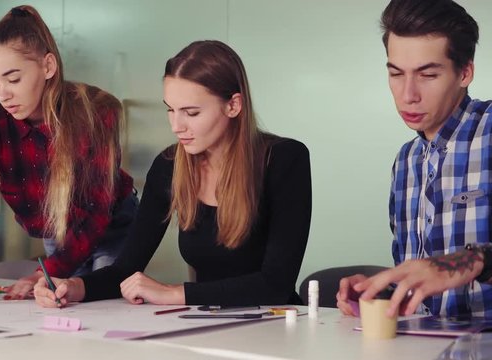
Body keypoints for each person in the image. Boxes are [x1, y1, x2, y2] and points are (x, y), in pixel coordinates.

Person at [33, 40, 312, 307]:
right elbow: (126, 269)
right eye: (171, 110)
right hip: (206, 323)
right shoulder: (169, 165)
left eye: (191, 113)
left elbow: (275, 284)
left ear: (233, 105)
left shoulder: (284, 160)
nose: (177, 126)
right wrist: (74, 287)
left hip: (275, 326)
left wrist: (173, 293)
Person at [0, 5, 137, 302]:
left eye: (13, 79)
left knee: (107, 303)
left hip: (112, 225)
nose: (2, 93)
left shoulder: (95, 111)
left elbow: (95, 211)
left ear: (48, 66)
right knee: (56, 306)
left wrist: (45, 271)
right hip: (56, 233)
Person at [337, 0, 492, 318]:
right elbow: (425, 290)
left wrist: (470, 261)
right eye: (396, 74)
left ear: (465, 72)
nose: (408, 94)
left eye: (427, 75)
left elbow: (444, 270)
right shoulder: (405, 162)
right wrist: (381, 291)